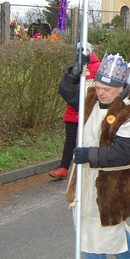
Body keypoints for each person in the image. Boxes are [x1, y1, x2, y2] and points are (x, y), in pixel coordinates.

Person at [63, 53, 130, 259]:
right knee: (84, 225)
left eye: (107, 89)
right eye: (98, 87)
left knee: (109, 229)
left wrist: (89, 155)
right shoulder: (89, 99)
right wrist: (74, 71)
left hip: (112, 184)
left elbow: (123, 154)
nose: (101, 93)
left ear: (121, 88)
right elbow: (67, 92)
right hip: (84, 179)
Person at [50, 43, 101, 180]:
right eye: (79, 51)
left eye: (85, 51)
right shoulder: (74, 68)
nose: (83, 53)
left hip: (91, 111)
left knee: (90, 139)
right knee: (70, 139)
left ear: (91, 52)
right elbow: (66, 87)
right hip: (73, 111)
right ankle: (64, 167)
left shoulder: (99, 67)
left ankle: (89, 166)